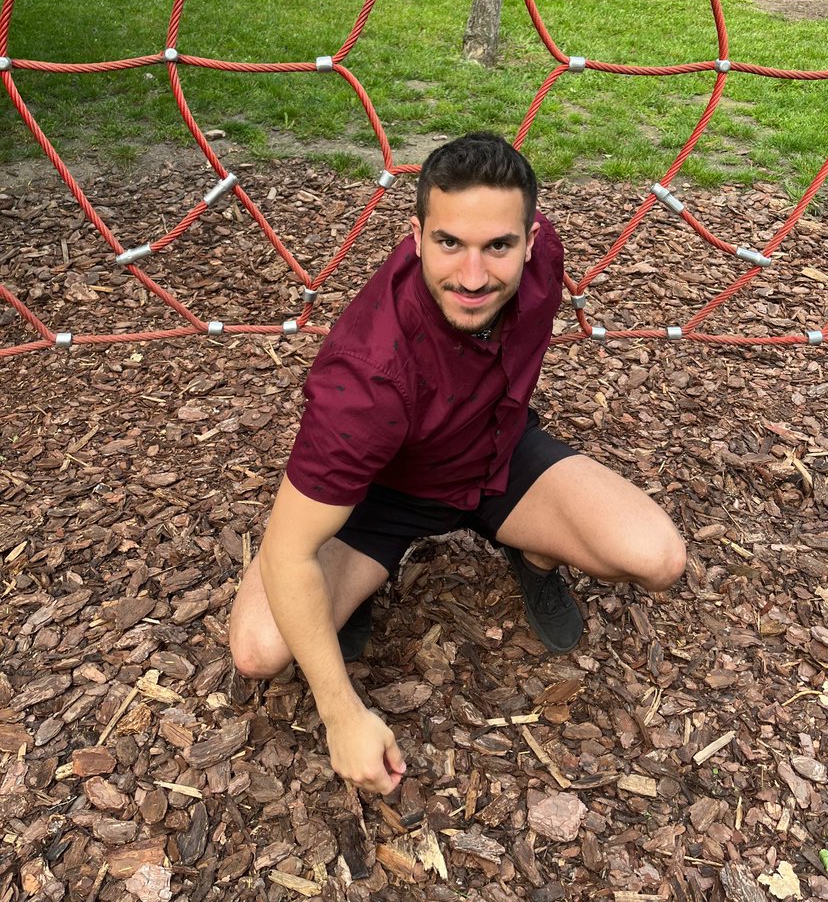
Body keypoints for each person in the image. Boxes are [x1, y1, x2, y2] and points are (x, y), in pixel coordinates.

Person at [229, 132, 686, 795]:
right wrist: (341, 714)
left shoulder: (544, 259)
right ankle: (357, 582)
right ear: (416, 236)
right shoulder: (366, 377)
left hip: (495, 452)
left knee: (656, 558)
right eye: (449, 243)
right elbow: (285, 551)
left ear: (530, 239)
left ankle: (533, 553)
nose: (473, 277)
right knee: (260, 648)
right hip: (384, 493)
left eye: (497, 246)